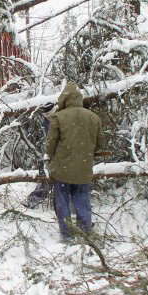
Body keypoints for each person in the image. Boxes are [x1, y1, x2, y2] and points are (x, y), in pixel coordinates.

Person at [45, 82, 105, 241]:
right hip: (83, 169)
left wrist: (52, 159)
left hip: (62, 169)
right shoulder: (93, 117)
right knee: (82, 200)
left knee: (62, 203)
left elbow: (49, 146)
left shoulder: (58, 118)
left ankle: (67, 234)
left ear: (63, 99)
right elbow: (100, 144)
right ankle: (85, 232)